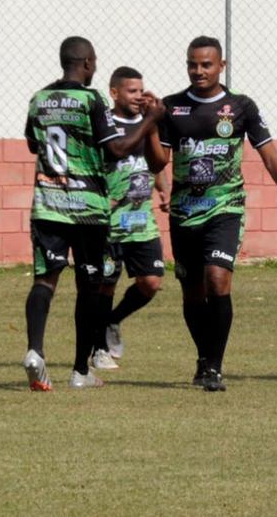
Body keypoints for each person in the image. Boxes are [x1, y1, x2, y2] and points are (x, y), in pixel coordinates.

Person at [158, 36, 277, 392]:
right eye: (192, 64)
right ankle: (204, 357)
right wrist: (150, 129)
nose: (198, 71)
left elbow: (271, 157)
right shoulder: (171, 107)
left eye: (206, 64)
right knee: (192, 292)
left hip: (226, 208)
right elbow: (158, 161)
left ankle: (214, 367)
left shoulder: (241, 107)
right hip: (184, 214)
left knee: (218, 279)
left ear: (221, 66)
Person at [22, 37, 163, 391]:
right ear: (87, 63)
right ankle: (79, 371)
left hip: (47, 205)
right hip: (87, 210)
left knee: (44, 280)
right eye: (94, 63)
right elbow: (116, 149)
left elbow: (32, 143)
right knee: (88, 287)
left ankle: (35, 351)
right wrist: (151, 120)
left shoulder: (38, 98)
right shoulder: (91, 99)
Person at [90, 67, 168, 371]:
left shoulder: (149, 122)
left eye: (141, 90)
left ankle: (113, 321)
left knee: (151, 282)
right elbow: (113, 155)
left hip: (140, 221)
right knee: (104, 286)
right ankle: (98, 348)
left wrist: (164, 190)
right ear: (114, 93)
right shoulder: (106, 123)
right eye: (132, 91)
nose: (139, 96)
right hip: (109, 222)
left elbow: (156, 160)